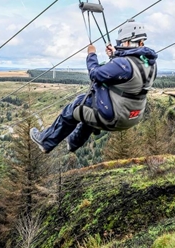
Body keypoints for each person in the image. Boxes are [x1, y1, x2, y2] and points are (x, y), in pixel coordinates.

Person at [30, 20, 158, 154]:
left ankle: (46, 141)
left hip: (114, 117)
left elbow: (94, 74)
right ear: (141, 42)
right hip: (132, 117)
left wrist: (91, 55)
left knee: (76, 106)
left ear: (126, 41)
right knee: (90, 106)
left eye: (121, 43)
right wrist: (114, 55)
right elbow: (129, 70)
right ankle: (73, 142)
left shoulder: (123, 65)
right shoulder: (150, 64)